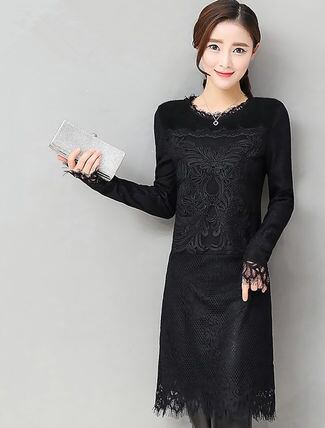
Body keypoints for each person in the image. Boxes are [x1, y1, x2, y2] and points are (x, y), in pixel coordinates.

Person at [56, 1, 294, 426]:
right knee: (200, 414)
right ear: (198, 46)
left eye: (239, 49)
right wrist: (100, 180)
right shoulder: (169, 117)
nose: (225, 61)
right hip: (188, 285)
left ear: (254, 52)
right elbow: (165, 201)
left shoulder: (270, 115)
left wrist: (256, 256)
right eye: (215, 46)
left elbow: (282, 197)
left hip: (242, 282)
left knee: (234, 415)